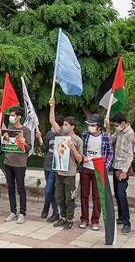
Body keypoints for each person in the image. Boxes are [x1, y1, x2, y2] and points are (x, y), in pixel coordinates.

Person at [49, 98, 83, 230]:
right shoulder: (61, 134)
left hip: (69, 172)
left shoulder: (77, 140)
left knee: (69, 197)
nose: (64, 127)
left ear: (72, 127)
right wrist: (52, 106)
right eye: (63, 124)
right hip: (59, 170)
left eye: (66, 125)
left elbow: (80, 159)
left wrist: (72, 148)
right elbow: (52, 121)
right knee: (59, 196)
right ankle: (62, 217)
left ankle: (69, 219)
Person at [79, 114, 113, 231]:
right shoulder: (84, 135)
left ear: (99, 126)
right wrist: (83, 160)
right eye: (89, 125)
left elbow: (110, 154)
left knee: (97, 197)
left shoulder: (105, 137)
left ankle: (95, 220)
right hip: (86, 168)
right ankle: (84, 218)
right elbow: (80, 151)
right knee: (84, 195)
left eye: (92, 125)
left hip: (98, 169)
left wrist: (105, 167)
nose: (90, 127)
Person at [106, 113, 134, 235]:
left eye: (116, 125)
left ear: (123, 123)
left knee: (122, 195)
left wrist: (124, 171)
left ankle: (127, 223)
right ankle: (121, 218)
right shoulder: (119, 132)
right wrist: (107, 127)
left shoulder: (130, 134)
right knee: (117, 194)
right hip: (116, 166)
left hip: (123, 169)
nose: (115, 127)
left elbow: (130, 155)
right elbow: (110, 140)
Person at [3, 106, 32, 224]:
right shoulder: (9, 129)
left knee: (20, 188)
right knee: (10, 188)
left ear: (19, 117)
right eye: (10, 115)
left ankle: (22, 213)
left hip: (20, 164)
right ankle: (13, 211)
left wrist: (24, 143)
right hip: (8, 162)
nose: (11, 117)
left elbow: (29, 148)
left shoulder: (26, 131)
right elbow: (5, 145)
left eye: (13, 115)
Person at [35, 114, 64, 223]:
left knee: (49, 190)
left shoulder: (63, 136)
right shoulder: (49, 134)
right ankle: (52, 211)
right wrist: (40, 139)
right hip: (47, 165)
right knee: (50, 190)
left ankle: (51, 208)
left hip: (56, 168)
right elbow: (44, 149)